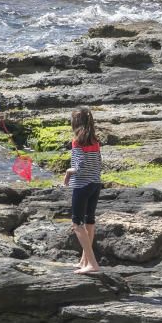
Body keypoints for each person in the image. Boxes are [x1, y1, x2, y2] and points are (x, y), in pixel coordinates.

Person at [63, 106, 102, 274]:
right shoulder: (95, 140)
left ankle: (92, 263)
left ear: (75, 123)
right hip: (95, 184)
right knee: (89, 221)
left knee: (77, 224)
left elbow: (78, 167)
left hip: (82, 186)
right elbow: (98, 163)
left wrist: (67, 173)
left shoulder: (77, 142)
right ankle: (84, 260)